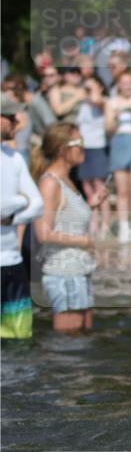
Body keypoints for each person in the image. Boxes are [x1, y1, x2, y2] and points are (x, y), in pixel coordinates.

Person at [32, 123, 107, 332]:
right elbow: (43, 233)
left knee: (84, 340)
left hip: (80, 270)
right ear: (62, 149)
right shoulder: (50, 183)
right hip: (63, 273)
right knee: (68, 347)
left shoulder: (69, 180)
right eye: (79, 143)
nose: (84, 147)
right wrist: (84, 241)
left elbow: (65, 216)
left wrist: (92, 204)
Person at [1, 98, 43, 339]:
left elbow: (37, 205)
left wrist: (11, 219)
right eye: (10, 117)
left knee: (19, 338)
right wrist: (18, 202)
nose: (16, 122)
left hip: (13, 262)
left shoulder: (14, 157)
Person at [105, 73, 131, 243]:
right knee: (122, 190)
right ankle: (123, 226)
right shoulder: (111, 103)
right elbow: (108, 129)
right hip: (119, 143)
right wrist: (116, 116)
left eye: (130, 83)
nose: (127, 86)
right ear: (119, 85)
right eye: (124, 83)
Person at [76, 76, 111, 238]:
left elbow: (97, 100)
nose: (86, 90)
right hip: (83, 148)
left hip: (98, 147)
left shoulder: (103, 101)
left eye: (90, 88)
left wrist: (93, 89)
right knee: (88, 188)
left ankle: (105, 225)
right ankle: (94, 222)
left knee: (99, 187)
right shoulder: (82, 104)